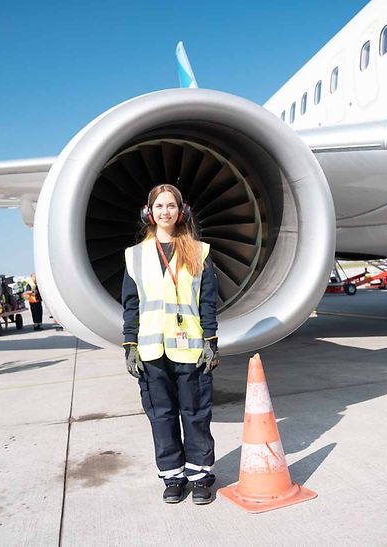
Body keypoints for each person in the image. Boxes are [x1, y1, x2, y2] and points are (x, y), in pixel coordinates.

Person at [122, 184, 220, 505]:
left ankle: (201, 474)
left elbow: (207, 302)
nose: (166, 212)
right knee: (161, 416)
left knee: (195, 413)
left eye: (171, 206)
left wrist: (211, 341)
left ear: (182, 211)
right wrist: (129, 345)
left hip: (190, 348)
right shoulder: (135, 256)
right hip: (152, 351)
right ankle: (173, 476)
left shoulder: (199, 251)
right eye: (159, 206)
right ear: (149, 213)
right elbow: (131, 305)